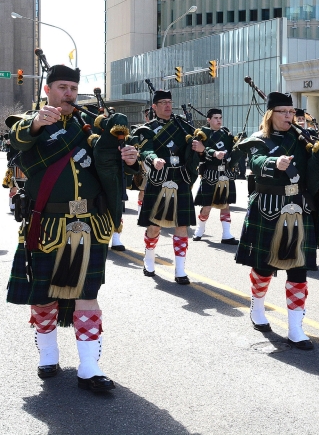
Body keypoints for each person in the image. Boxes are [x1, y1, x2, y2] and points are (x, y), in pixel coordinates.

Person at [6, 64, 139, 392]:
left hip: (91, 223)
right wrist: (37, 121)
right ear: (48, 89)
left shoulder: (88, 126)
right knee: (44, 297)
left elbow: (108, 161)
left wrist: (130, 156)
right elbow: (17, 138)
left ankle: (89, 368)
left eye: (72, 88)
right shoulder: (32, 124)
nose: (68, 93)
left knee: (87, 295)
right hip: (48, 224)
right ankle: (48, 356)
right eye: (62, 87)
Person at [235, 92, 319, 350]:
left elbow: (313, 176)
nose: (289, 117)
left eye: (291, 112)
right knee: (264, 266)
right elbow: (256, 161)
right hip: (268, 208)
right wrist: (274, 162)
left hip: (298, 209)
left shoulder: (303, 140)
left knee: (298, 269)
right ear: (271, 114)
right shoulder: (260, 140)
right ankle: (257, 308)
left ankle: (295, 328)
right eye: (283, 112)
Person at [136, 89, 199, 285]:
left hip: (180, 178)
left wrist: (200, 148)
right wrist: (154, 160)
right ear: (154, 107)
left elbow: (196, 145)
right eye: (162, 102)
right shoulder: (148, 129)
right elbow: (145, 149)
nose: (167, 105)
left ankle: (180, 270)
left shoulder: (183, 126)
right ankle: (149, 259)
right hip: (158, 179)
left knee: (182, 225)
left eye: (169, 102)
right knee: (154, 226)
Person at [192, 108, 243, 244]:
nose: (219, 120)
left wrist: (239, 142)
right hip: (210, 173)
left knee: (225, 205)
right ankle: (200, 229)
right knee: (206, 206)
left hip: (225, 173)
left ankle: (226, 234)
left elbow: (234, 149)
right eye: (215, 118)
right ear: (209, 120)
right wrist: (213, 153)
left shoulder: (226, 133)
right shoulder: (202, 134)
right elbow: (199, 149)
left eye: (220, 118)